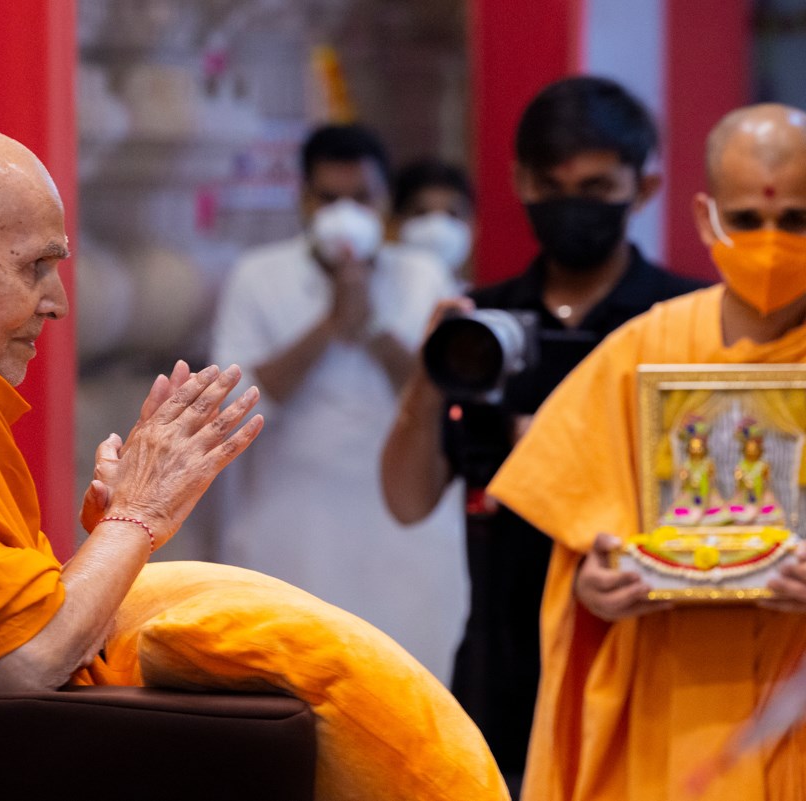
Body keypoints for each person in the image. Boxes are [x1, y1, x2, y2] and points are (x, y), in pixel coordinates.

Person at [0, 119, 508, 801]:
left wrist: (110, 536)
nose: (58, 301)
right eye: (35, 266)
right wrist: (137, 516)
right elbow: (22, 660)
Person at [380, 75, 707, 793]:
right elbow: (406, 500)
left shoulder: (687, 321)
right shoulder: (482, 327)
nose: (572, 206)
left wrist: (567, 452)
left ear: (644, 185)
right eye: (552, 186)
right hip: (501, 679)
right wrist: (430, 375)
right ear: (520, 181)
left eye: (596, 187)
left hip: (653, 669)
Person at [488, 102, 806, 800]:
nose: (772, 242)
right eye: (748, 218)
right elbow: (583, 556)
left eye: (795, 220)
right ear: (706, 218)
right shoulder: (643, 350)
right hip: (668, 704)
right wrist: (593, 589)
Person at [210, 123, 468, 681]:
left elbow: (442, 395)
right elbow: (235, 407)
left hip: (407, 541)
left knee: (414, 688)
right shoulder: (258, 276)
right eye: (330, 199)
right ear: (305, 200)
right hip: (291, 531)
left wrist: (372, 326)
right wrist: (330, 324)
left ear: (385, 202)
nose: (346, 214)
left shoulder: (424, 275)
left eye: (362, 198)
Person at [390, 157, 476, 285]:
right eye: (422, 213)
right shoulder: (372, 295)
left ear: (473, 225)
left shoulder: (482, 297)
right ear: (396, 222)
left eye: (452, 214)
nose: (437, 227)